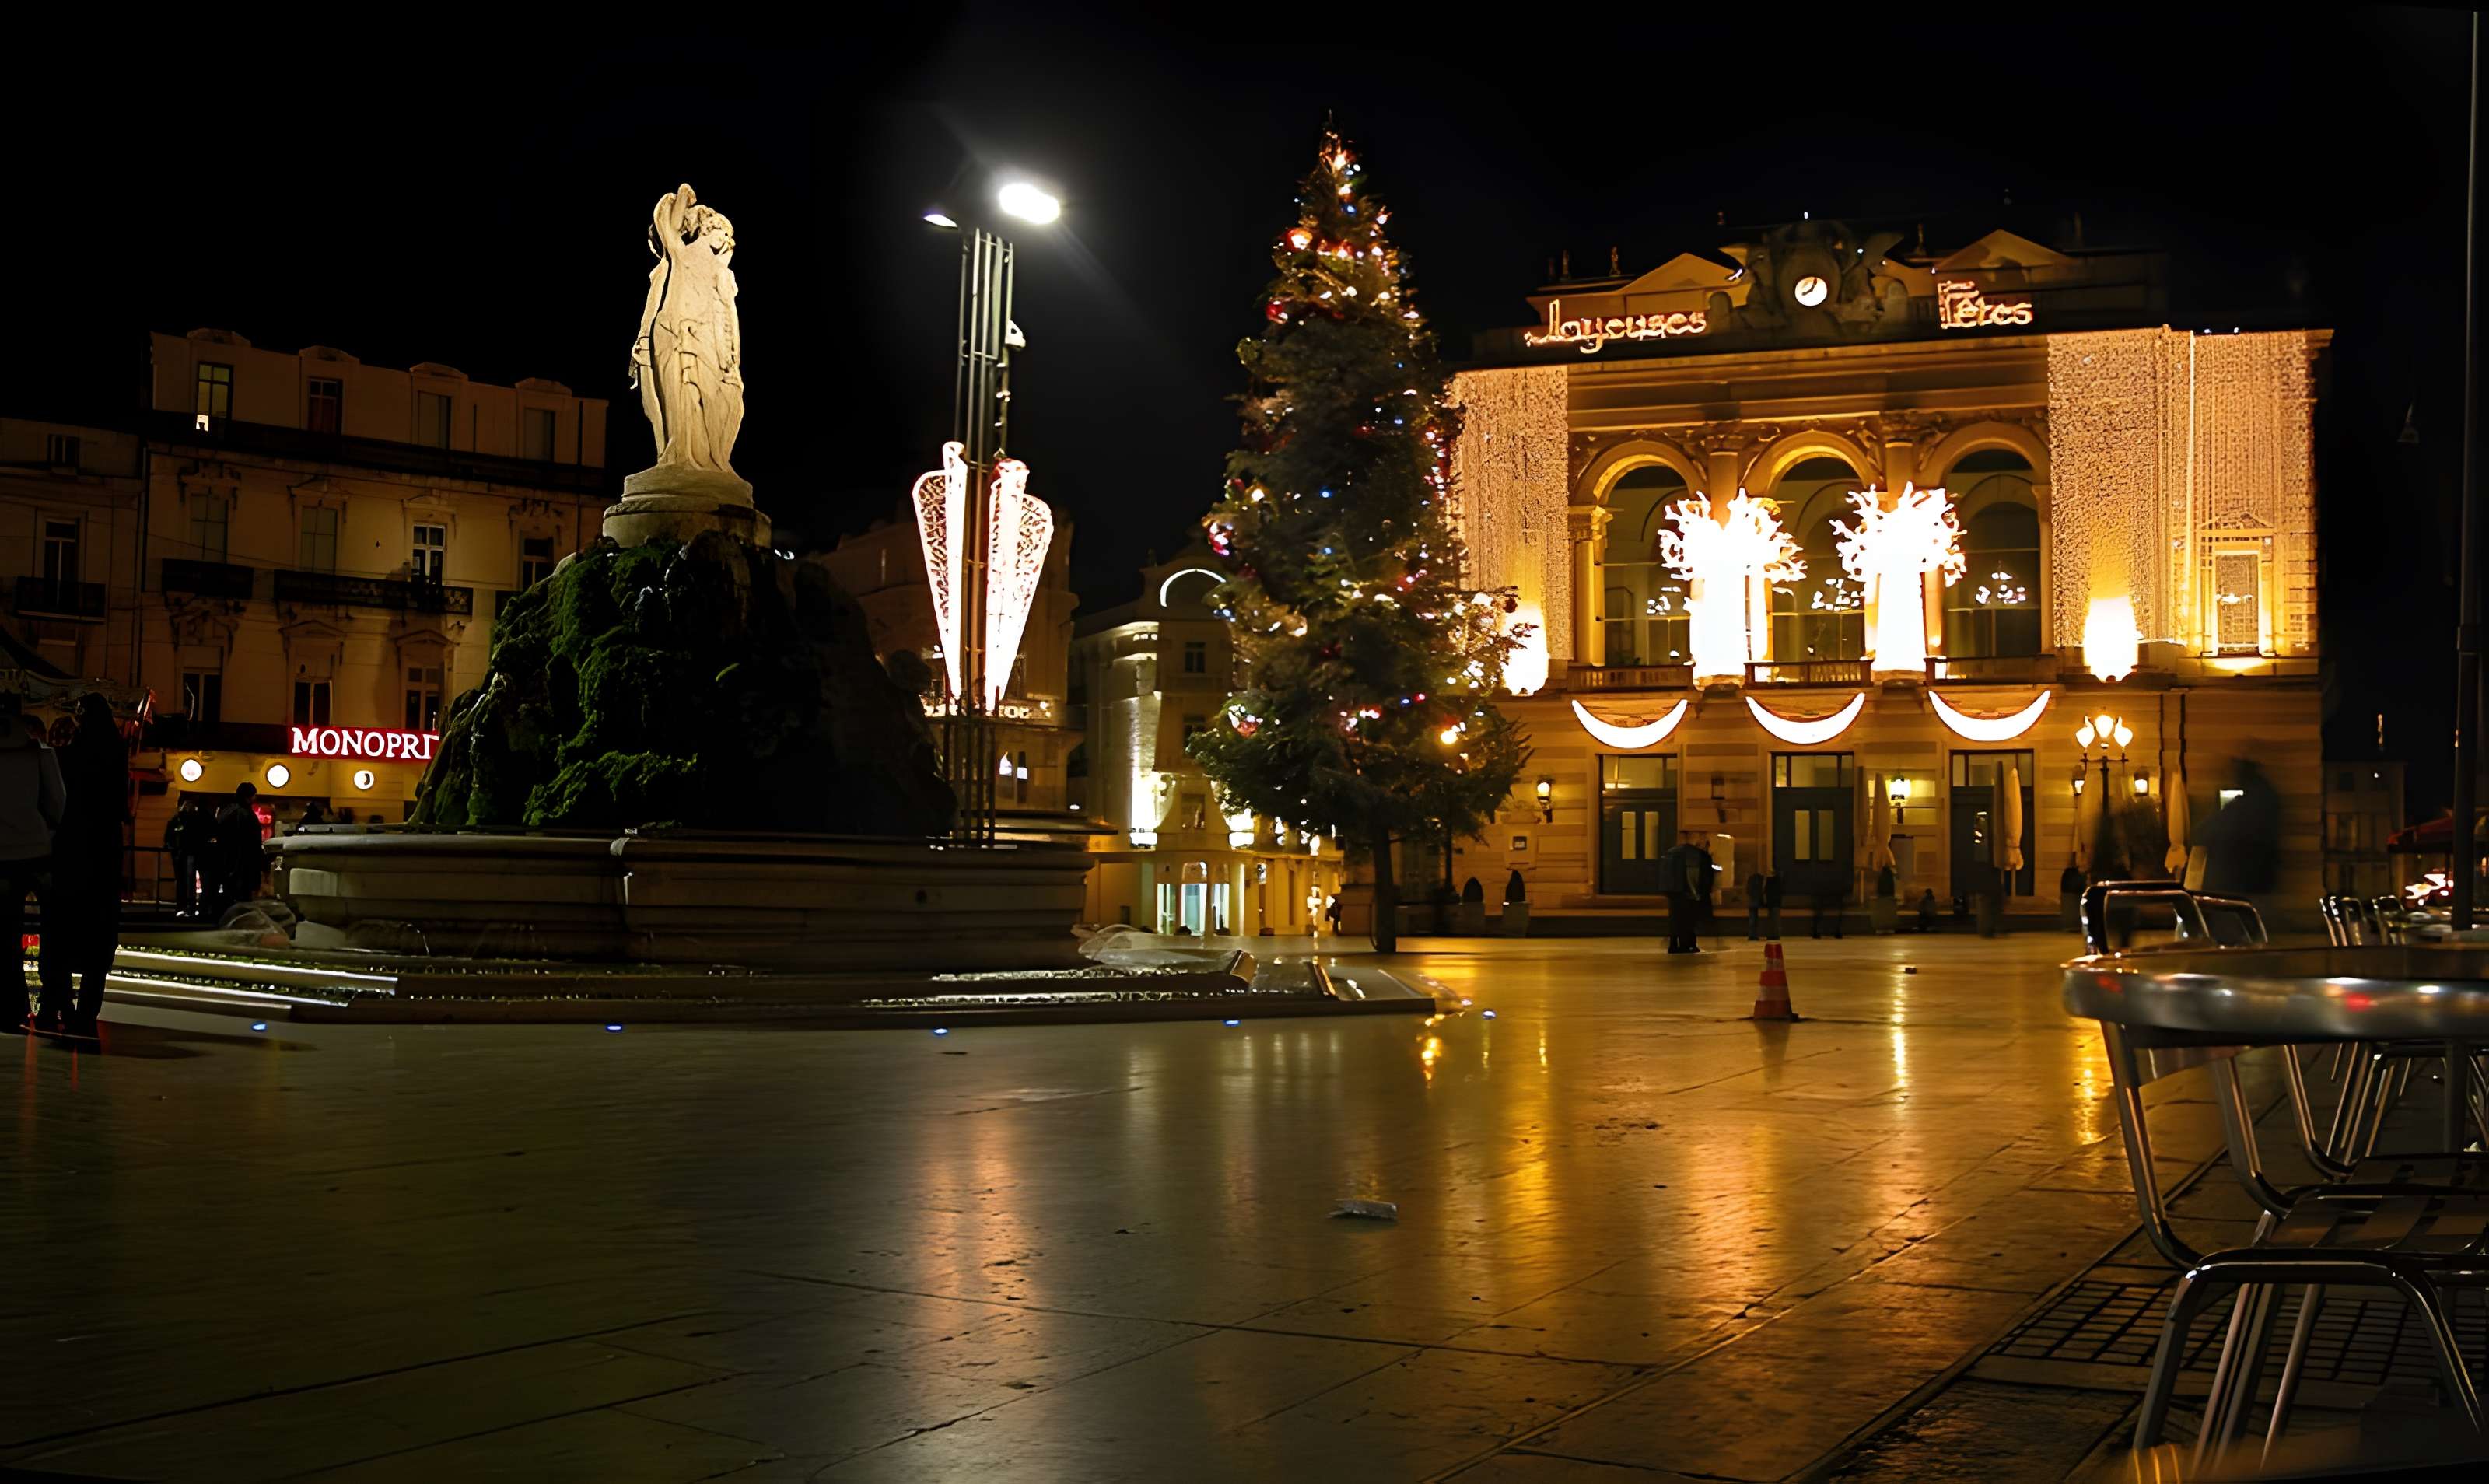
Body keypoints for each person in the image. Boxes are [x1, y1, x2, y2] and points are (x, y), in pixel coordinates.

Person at [39, 695, 127, 1038]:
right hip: (104, 855)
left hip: (71, 852)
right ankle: (87, 1013)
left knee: (60, 935)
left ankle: (56, 1007)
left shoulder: (69, 757)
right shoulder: (116, 754)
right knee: (97, 942)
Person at [0, 694, 64, 1032]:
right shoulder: (39, 754)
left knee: (5, 933)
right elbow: (57, 802)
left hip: (1, 857)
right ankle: (52, 1002)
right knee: (50, 930)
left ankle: (9, 1004)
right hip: (38, 852)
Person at [210, 782, 265, 919]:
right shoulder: (246, 814)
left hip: (226, 860)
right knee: (243, 898)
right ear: (249, 797)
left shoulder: (227, 812)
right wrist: (261, 863)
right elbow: (252, 842)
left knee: (229, 894)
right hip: (242, 863)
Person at [164, 799, 208, 916]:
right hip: (189, 854)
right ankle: (189, 906)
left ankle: (183, 905)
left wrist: (173, 849)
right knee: (189, 880)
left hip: (182, 854)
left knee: (183, 880)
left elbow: (169, 838)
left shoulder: (177, 820)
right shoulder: (195, 820)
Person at [1762, 869, 1784, 941]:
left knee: (1771, 920)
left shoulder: (1769, 881)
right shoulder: (1779, 882)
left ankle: (1771, 935)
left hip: (1770, 903)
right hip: (1776, 903)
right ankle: (1776, 935)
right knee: (1776, 920)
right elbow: (1780, 892)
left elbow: (1765, 891)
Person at [1745, 870, 1766, 940]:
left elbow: (1748, 891)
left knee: (1752, 919)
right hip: (1755, 903)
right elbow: (1760, 893)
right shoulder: (1759, 882)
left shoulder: (1751, 882)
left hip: (1752, 903)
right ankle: (1753, 935)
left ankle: (1752, 935)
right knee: (1754, 920)